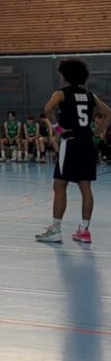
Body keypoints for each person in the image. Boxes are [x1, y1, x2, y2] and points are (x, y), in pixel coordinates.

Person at [36, 57, 111, 245]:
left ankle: (55, 230)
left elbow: (48, 109)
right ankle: (84, 231)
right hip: (87, 144)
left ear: (65, 76)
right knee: (86, 188)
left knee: (59, 186)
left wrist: (57, 128)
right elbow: (109, 113)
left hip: (70, 143)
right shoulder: (90, 95)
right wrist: (95, 132)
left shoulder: (61, 93)